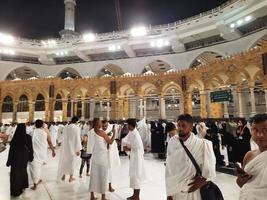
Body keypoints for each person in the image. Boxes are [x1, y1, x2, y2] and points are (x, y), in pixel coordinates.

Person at [165, 114, 216, 200]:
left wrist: (203, 180)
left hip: (194, 191)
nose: (180, 128)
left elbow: (210, 168)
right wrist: (169, 192)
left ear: (191, 128)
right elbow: (169, 170)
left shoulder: (202, 144)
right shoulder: (172, 142)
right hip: (176, 191)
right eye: (178, 125)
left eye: (183, 126)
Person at [236, 114, 267, 199]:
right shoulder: (249, 155)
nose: (260, 135)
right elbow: (241, 184)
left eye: (265, 130)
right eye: (255, 130)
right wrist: (241, 179)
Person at [89, 118, 116, 200]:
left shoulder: (90, 132)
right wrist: (114, 134)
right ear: (98, 124)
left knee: (93, 176)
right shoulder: (102, 132)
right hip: (102, 158)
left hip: (94, 157)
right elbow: (110, 142)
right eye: (100, 123)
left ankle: (92, 196)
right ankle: (103, 197)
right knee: (103, 176)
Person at [6, 123, 34, 197]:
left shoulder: (15, 138)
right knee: (23, 171)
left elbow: (11, 151)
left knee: (15, 173)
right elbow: (30, 149)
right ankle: (22, 186)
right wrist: (31, 157)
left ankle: (15, 191)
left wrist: (9, 161)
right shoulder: (28, 137)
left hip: (15, 158)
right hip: (24, 157)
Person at [122, 118, 146, 200]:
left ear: (131, 125)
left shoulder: (136, 134)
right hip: (133, 157)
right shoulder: (131, 132)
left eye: (127, 125)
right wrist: (124, 145)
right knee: (133, 176)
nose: (127, 126)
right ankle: (134, 195)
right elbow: (126, 140)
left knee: (136, 176)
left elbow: (138, 147)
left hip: (137, 159)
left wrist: (127, 148)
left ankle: (137, 196)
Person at [29, 120, 56, 190]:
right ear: (42, 125)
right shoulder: (45, 131)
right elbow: (50, 142)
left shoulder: (32, 132)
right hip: (42, 152)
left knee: (34, 168)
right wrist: (53, 150)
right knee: (39, 166)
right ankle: (38, 179)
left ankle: (35, 184)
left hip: (34, 152)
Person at [57, 116, 82, 182]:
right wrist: (78, 149)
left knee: (65, 161)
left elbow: (62, 137)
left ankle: (63, 176)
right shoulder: (76, 128)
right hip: (73, 147)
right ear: (77, 121)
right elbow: (77, 139)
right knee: (72, 162)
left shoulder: (66, 127)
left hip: (66, 147)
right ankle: (71, 177)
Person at [102, 119, 121, 192]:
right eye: (103, 126)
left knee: (109, 171)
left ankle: (110, 186)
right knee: (103, 171)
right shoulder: (100, 132)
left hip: (109, 153)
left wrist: (112, 134)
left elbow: (112, 143)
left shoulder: (111, 130)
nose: (104, 127)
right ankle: (102, 186)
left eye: (106, 126)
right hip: (102, 154)